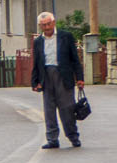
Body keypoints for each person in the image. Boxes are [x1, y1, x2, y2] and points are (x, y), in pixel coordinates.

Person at [30, 11, 85, 149]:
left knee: (67, 108)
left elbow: (75, 60)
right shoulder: (38, 41)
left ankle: (73, 137)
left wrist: (80, 78)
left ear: (54, 23)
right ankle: (52, 139)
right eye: (43, 25)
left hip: (63, 76)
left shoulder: (65, 36)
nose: (47, 27)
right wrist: (34, 81)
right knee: (49, 110)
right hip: (46, 76)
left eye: (48, 24)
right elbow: (36, 62)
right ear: (40, 26)